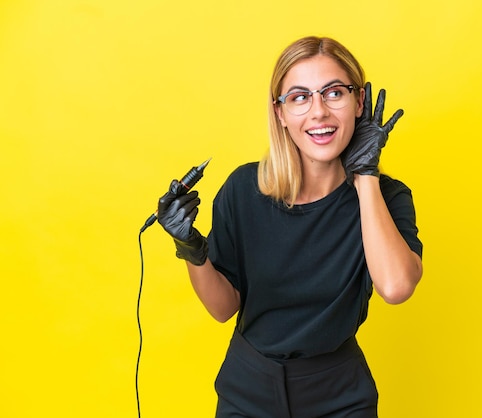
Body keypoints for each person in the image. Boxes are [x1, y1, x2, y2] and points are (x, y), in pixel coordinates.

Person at [156, 36, 423, 418]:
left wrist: (365, 177)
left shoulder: (387, 198)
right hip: (248, 388)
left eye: (334, 93)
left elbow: (396, 287)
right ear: (280, 112)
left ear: (359, 102)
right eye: (299, 97)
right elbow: (222, 308)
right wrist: (192, 249)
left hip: (339, 394)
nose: (318, 112)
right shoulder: (243, 190)